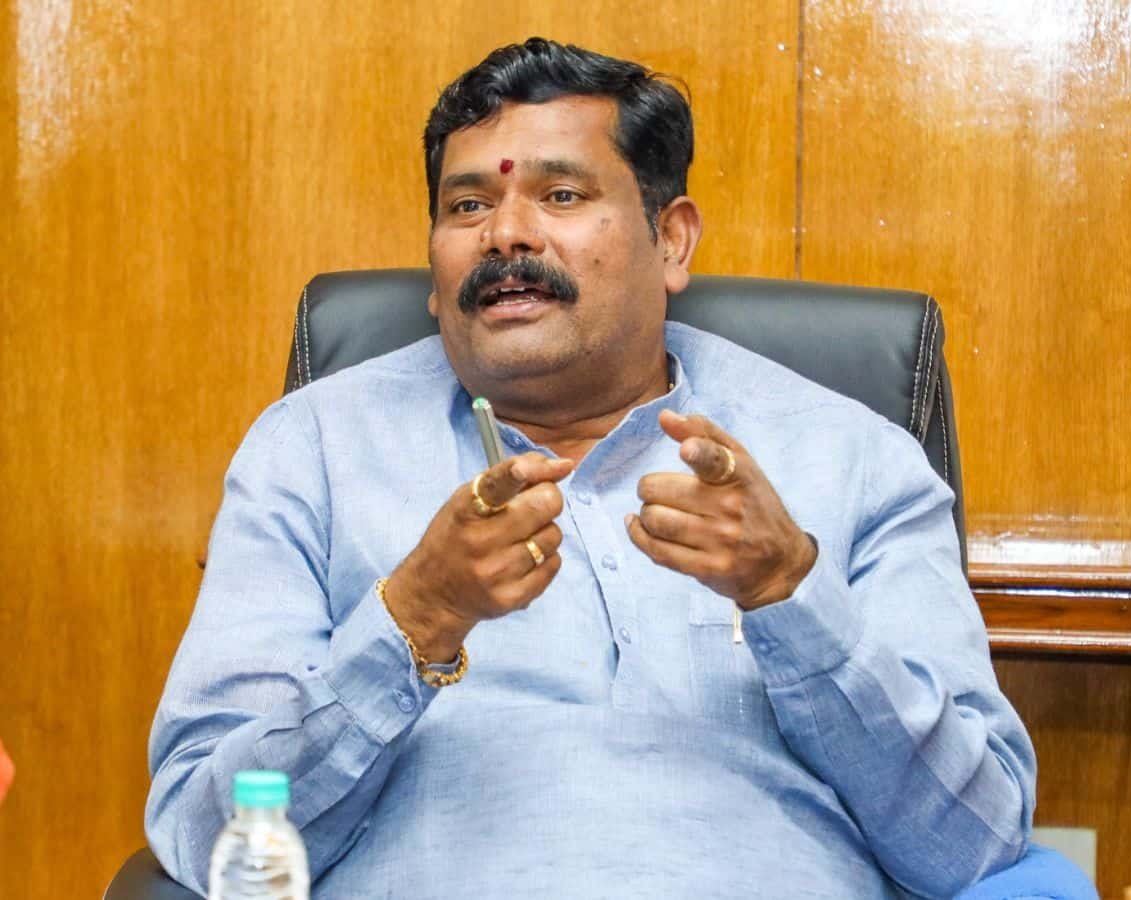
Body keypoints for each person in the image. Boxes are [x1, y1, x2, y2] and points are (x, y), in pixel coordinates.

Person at [147, 38, 1036, 898]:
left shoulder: (851, 457)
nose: (505, 234)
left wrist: (790, 592)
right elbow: (205, 832)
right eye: (467, 207)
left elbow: (974, 839)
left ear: (672, 241)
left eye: (562, 195)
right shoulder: (313, 450)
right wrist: (416, 618)